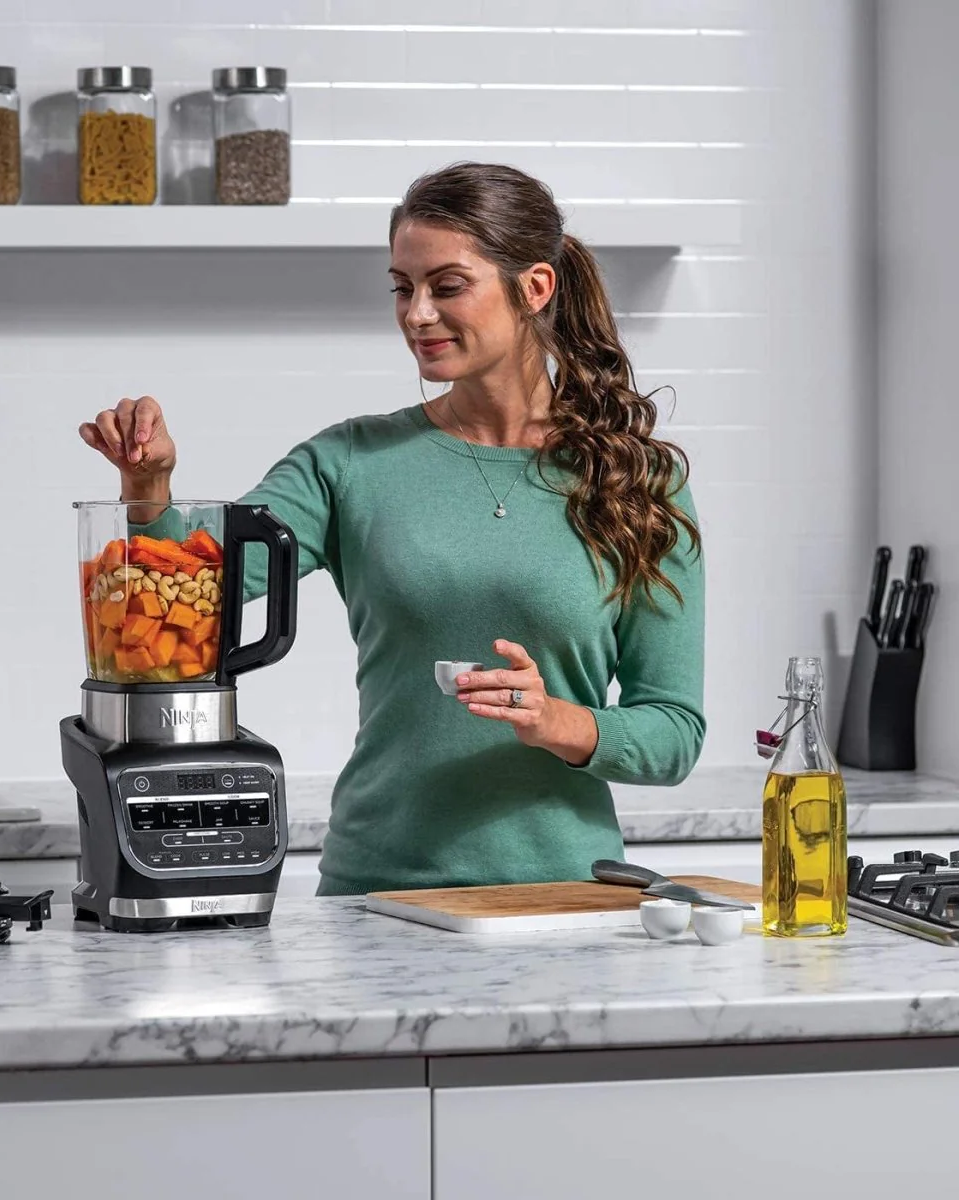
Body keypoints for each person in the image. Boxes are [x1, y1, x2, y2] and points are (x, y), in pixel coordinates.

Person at [79, 161, 705, 896]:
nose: (416, 315)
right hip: (378, 892)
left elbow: (673, 732)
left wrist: (558, 722)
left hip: (565, 897)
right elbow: (191, 591)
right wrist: (149, 486)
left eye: (447, 286)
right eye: (402, 288)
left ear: (534, 288)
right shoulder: (350, 463)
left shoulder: (639, 482)